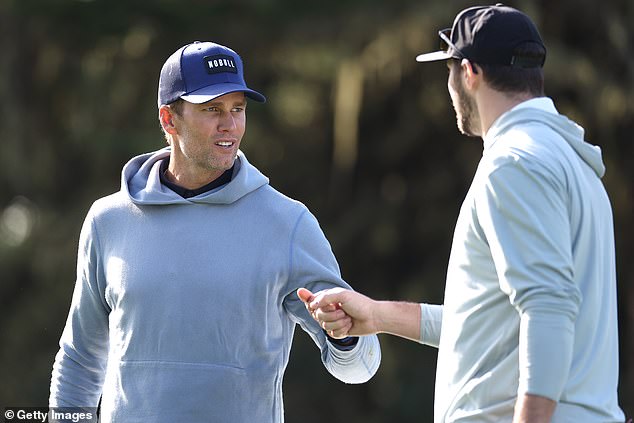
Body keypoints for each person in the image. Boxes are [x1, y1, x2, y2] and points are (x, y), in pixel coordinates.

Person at [298, 5, 625, 423]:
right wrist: (377, 314)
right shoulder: (571, 161)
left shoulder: (514, 164)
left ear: (469, 73)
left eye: (450, 71)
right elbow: (487, 324)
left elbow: (549, 307)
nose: (449, 87)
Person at [49, 41, 381, 422]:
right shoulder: (107, 221)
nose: (230, 124)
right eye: (212, 110)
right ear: (169, 120)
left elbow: (359, 368)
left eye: (237, 109)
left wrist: (347, 338)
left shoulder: (288, 223)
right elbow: (80, 359)